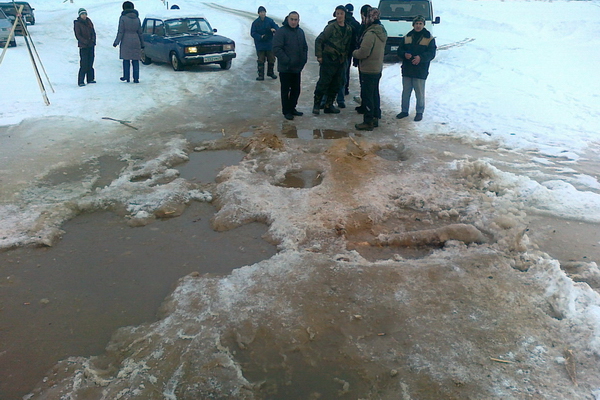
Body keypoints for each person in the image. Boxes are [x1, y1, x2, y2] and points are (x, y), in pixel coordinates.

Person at [312, 5, 353, 115]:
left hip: (340, 61)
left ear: (345, 15)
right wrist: (319, 56)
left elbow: (348, 45)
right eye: (337, 13)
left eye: (341, 13)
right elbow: (319, 40)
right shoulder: (331, 27)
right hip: (328, 59)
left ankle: (328, 105)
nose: (339, 16)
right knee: (324, 83)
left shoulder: (348, 29)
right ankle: (316, 104)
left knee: (337, 83)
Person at [396, 15, 436, 121]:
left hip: (420, 70)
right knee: (406, 92)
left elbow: (431, 53)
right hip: (407, 69)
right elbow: (399, 50)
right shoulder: (407, 37)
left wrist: (421, 58)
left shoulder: (429, 38)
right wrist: (404, 54)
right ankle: (404, 111)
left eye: (420, 24)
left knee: (419, 93)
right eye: (416, 24)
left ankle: (419, 112)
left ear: (423, 25)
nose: (418, 26)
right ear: (413, 25)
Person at [352, 8, 386, 130]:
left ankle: (368, 121)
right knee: (374, 94)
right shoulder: (381, 31)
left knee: (367, 96)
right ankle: (375, 117)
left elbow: (363, 52)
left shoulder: (370, 33)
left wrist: (354, 53)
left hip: (368, 68)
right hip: (377, 68)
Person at [272, 11, 308, 120]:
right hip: (285, 68)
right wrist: (287, 60)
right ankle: (286, 111)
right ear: (288, 19)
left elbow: (304, 48)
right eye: (292, 19)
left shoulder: (300, 32)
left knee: (296, 90)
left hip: (297, 68)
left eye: (295, 20)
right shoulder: (281, 32)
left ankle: (292, 108)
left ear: (298, 21)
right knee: (285, 90)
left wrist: (303, 60)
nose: (293, 22)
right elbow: (276, 49)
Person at [113, 1, 143, 83]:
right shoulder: (137, 18)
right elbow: (140, 32)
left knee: (126, 60)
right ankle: (136, 78)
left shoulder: (123, 18)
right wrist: (142, 43)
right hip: (136, 40)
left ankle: (126, 76)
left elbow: (121, 31)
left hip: (126, 40)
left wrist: (116, 42)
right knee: (135, 60)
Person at [251, 6, 278, 81]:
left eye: (263, 12)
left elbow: (276, 27)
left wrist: (274, 29)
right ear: (258, 13)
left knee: (271, 59)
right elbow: (253, 33)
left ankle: (270, 72)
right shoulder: (255, 23)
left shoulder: (270, 21)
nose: (262, 14)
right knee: (261, 60)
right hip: (260, 45)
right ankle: (260, 75)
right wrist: (260, 37)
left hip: (270, 44)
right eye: (261, 12)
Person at [354, 4, 371, 114]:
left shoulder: (370, 28)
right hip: (361, 60)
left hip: (368, 61)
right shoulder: (362, 26)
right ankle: (364, 104)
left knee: (368, 85)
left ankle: (367, 106)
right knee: (363, 83)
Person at [73, 8, 96, 87]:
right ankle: (81, 81)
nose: (84, 16)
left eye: (85, 14)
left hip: (91, 45)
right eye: (82, 14)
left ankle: (90, 78)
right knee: (84, 63)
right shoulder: (77, 23)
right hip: (83, 46)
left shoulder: (89, 22)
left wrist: (93, 41)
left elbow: (93, 32)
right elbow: (78, 35)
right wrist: (85, 42)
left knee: (90, 62)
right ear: (80, 15)